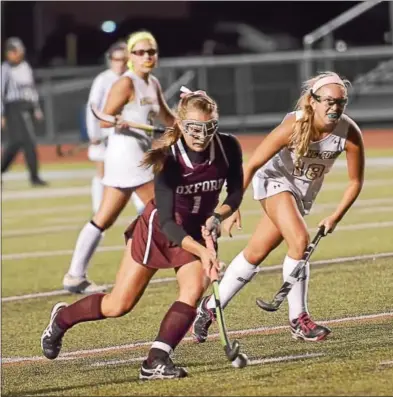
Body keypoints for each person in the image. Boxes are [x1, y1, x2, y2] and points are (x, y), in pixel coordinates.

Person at [41, 90, 244, 380]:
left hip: (196, 229)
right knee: (118, 305)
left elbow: (235, 191)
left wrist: (216, 217)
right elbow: (167, 221)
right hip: (159, 230)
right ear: (182, 125)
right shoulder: (168, 159)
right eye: (194, 128)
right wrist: (202, 252)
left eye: (208, 127)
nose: (201, 135)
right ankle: (62, 319)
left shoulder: (228, 147)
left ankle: (155, 360)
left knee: (194, 286)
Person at [192, 71, 365, 344]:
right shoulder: (292, 127)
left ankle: (210, 307)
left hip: (302, 194)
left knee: (256, 252)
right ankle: (299, 319)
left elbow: (355, 181)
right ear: (313, 101)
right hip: (273, 182)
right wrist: (233, 203)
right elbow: (251, 164)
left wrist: (335, 216)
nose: (335, 108)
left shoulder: (349, 131)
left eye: (341, 103)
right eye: (329, 102)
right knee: (299, 240)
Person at [62, 31, 175, 294]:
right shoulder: (126, 83)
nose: (146, 57)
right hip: (125, 156)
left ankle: (74, 276)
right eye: (140, 52)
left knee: (103, 218)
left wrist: (192, 120)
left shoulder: (153, 83)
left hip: (137, 155)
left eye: (151, 52)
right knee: (161, 208)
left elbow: (167, 119)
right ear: (131, 57)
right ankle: (191, 259)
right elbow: (103, 118)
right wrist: (117, 120)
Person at [85, 40, 145, 215]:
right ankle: (99, 209)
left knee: (134, 168)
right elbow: (93, 108)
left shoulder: (135, 79)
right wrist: (94, 134)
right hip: (105, 134)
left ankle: (142, 206)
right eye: (116, 59)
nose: (120, 63)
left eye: (123, 60)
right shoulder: (103, 80)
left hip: (128, 134)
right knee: (102, 171)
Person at [1, 37, 48, 186]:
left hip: (27, 106)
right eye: (13, 51)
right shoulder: (5, 69)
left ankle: (33, 176)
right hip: (14, 107)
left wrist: (36, 108)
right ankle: (34, 177)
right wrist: (1, 114)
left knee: (16, 143)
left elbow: (31, 89)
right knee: (27, 142)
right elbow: (1, 92)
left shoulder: (25, 66)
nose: (16, 54)